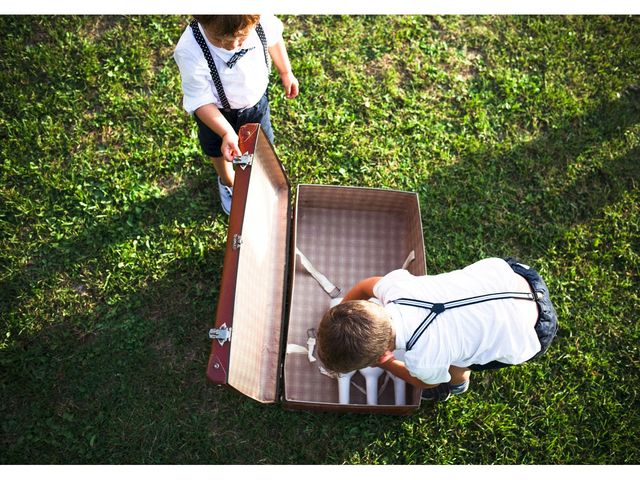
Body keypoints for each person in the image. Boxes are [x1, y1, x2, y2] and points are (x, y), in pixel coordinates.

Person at [316, 257, 558, 402]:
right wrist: (344, 307)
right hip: (515, 277)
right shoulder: (395, 288)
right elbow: (364, 285)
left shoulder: (425, 361)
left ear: (374, 360)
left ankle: (457, 385)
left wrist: (387, 363)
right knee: (458, 328)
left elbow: (424, 382)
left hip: (531, 331)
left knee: (460, 361)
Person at [173, 15, 299, 214]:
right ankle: (228, 181)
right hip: (215, 113)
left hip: (256, 105)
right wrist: (225, 133)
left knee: (262, 142)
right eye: (219, 39)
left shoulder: (263, 20)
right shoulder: (190, 48)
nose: (230, 46)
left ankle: (264, 175)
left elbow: (274, 40)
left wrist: (286, 72)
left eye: (240, 38)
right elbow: (200, 100)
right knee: (217, 150)